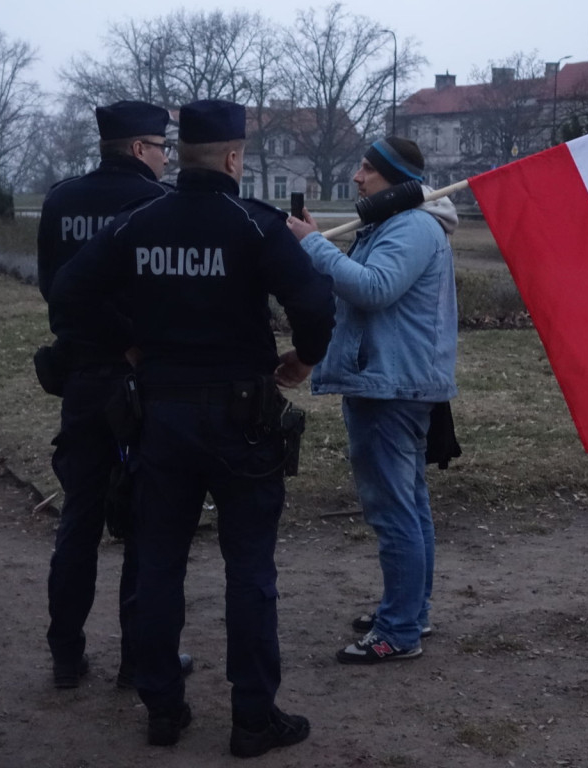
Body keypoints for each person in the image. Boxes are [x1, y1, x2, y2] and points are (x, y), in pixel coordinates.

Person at [49, 99, 335, 757]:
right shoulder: (254, 225)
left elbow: (69, 291)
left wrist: (127, 342)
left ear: (178, 155)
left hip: (161, 416)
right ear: (235, 157)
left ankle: (162, 707)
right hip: (243, 417)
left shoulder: (139, 222)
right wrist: (302, 359)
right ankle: (253, 716)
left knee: (158, 564)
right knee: (249, 568)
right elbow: (313, 299)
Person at [36, 100, 191, 689]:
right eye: (160, 147)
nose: (166, 158)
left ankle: (66, 655)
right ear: (137, 149)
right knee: (145, 521)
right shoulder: (158, 204)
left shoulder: (61, 200)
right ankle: (139, 658)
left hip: (81, 376)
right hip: (139, 378)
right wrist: (131, 341)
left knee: (80, 515)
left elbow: (54, 286)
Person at [286, 136, 458, 665]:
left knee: (393, 510)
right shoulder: (394, 223)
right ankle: (410, 609)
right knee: (409, 505)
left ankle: (399, 630)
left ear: (393, 177)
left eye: (366, 169)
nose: (357, 178)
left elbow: (375, 288)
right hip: (390, 380)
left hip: (390, 386)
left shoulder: (412, 226)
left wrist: (313, 245)